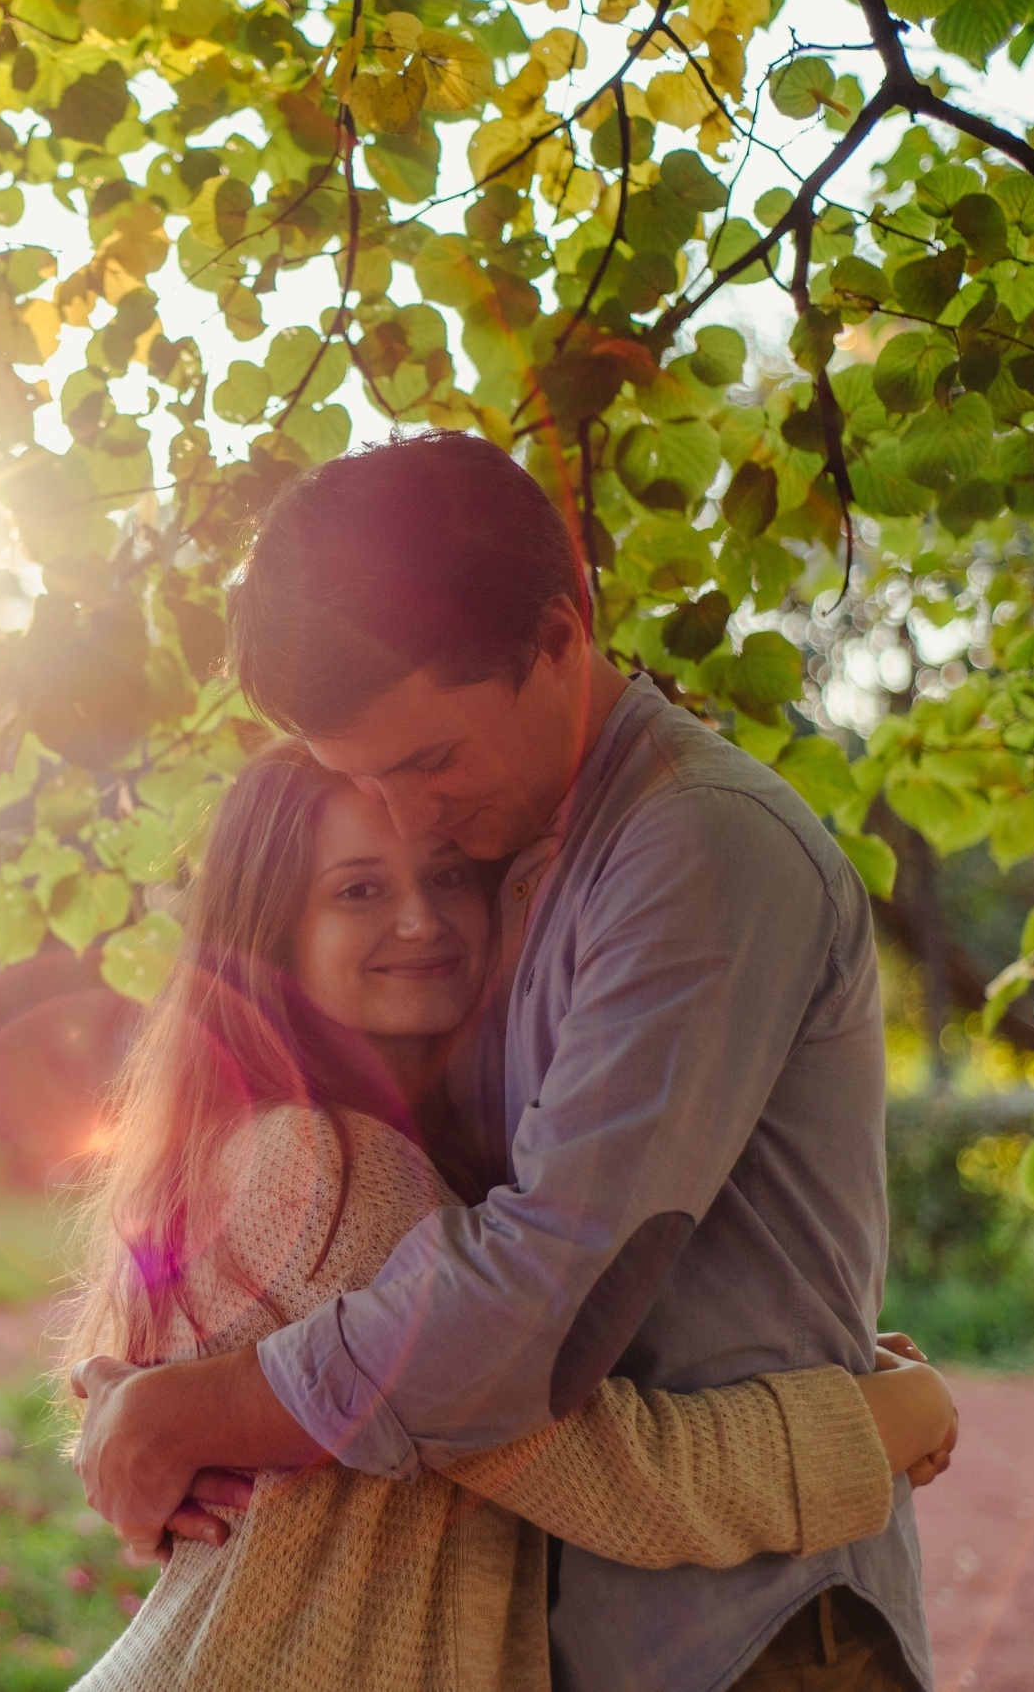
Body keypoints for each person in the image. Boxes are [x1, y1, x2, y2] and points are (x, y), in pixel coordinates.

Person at [71, 432, 940, 1692]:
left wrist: (194, 1405)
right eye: (359, 782)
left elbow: (532, 1313)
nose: (415, 824)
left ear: (559, 630)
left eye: (429, 761)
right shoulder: (511, 853)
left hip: (743, 1634)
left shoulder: (692, 847)